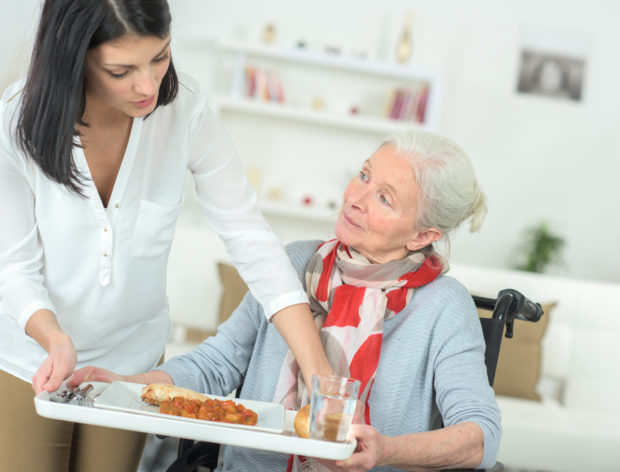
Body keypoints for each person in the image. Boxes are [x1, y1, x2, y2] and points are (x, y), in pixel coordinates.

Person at [0, 1, 332, 470]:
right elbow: (14, 267)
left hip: (131, 359)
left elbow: (250, 237)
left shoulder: (186, 111)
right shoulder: (15, 122)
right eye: (122, 70)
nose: (148, 85)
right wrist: (53, 337)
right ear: (73, 57)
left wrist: (317, 369)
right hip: (27, 355)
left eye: (160, 57)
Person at [73, 128, 501, 471]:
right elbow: (216, 364)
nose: (356, 198)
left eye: (384, 198)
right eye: (365, 175)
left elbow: (479, 436)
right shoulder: (294, 262)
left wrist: (385, 450)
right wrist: (130, 385)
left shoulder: (444, 306)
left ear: (423, 236)